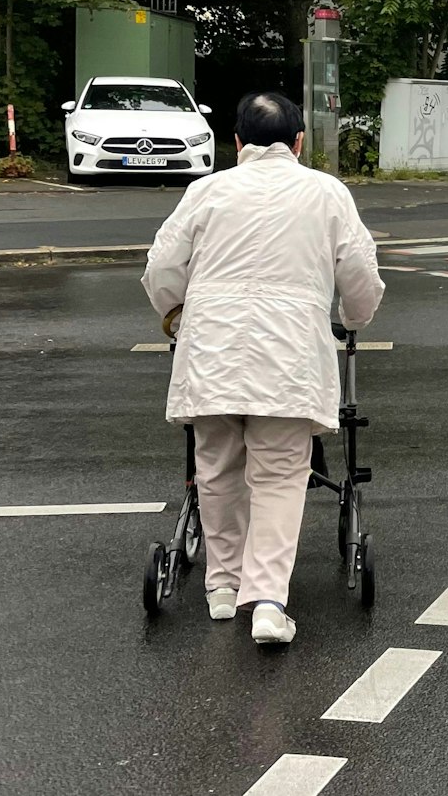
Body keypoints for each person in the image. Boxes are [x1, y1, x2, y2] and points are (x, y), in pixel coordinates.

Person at [142, 92, 384, 645]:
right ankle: (269, 602)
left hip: (212, 354)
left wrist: (177, 314)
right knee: (279, 476)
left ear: (236, 143)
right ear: (299, 143)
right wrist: (353, 317)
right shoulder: (327, 193)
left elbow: (162, 267)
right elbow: (360, 276)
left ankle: (222, 589)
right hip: (290, 359)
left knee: (218, 471)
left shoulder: (206, 190)